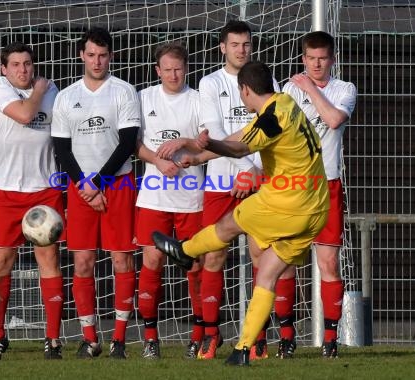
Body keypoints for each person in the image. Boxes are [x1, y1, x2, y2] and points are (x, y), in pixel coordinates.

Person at [152, 61, 330, 366]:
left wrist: (211, 144)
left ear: (245, 90)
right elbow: (241, 137)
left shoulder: (272, 120)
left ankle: (184, 250)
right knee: (268, 274)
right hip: (316, 205)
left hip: (289, 201)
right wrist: (197, 156)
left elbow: (237, 150)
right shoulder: (283, 103)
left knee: (228, 225)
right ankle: (243, 350)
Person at [157, 20, 279, 361]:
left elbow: (274, 131)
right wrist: (246, 170)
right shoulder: (210, 83)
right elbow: (215, 132)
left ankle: (258, 338)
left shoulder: (267, 81)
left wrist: (257, 173)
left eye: (246, 44)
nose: (241, 49)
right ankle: (212, 335)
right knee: (213, 254)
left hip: (260, 181)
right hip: (222, 181)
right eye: (235, 44)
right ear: (222, 47)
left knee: (262, 256)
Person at [51, 27, 140, 360]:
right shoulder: (66, 96)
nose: (97, 61)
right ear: (81, 56)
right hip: (80, 187)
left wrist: (98, 184)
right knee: (83, 261)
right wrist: (85, 186)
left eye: (103, 55)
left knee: (121, 259)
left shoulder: (124, 91)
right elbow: (62, 148)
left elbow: (128, 143)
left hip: (116, 184)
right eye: (91, 55)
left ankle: (118, 338)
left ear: (111, 57)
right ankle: (90, 339)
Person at [274, 31, 357, 359]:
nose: (317, 64)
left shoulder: (344, 89)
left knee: (328, 263)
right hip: (294, 186)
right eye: (311, 59)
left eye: (322, 58)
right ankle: (286, 336)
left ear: (332, 59)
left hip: (327, 186)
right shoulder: (288, 88)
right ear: (303, 59)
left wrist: (311, 89)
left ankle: (331, 339)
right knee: (286, 262)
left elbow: (334, 119)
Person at [0, 41, 65, 360]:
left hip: (45, 189)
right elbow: (24, 114)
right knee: (2, 261)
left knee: (50, 261)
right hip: (7, 190)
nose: (22, 69)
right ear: (4, 69)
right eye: (15, 64)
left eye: (28, 64)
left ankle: (53, 339)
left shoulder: (52, 89)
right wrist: (39, 90)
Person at [135, 42, 205, 359]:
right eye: (167, 69)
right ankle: (151, 338)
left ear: (186, 69)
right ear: (157, 70)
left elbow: (207, 142)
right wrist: (158, 161)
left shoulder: (198, 100)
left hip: (192, 197)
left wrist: (185, 147)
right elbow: (132, 143)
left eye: (178, 69)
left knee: (195, 266)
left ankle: (198, 336)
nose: (173, 74)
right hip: (153, 198)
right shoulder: (143, 98)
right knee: (152, 262)